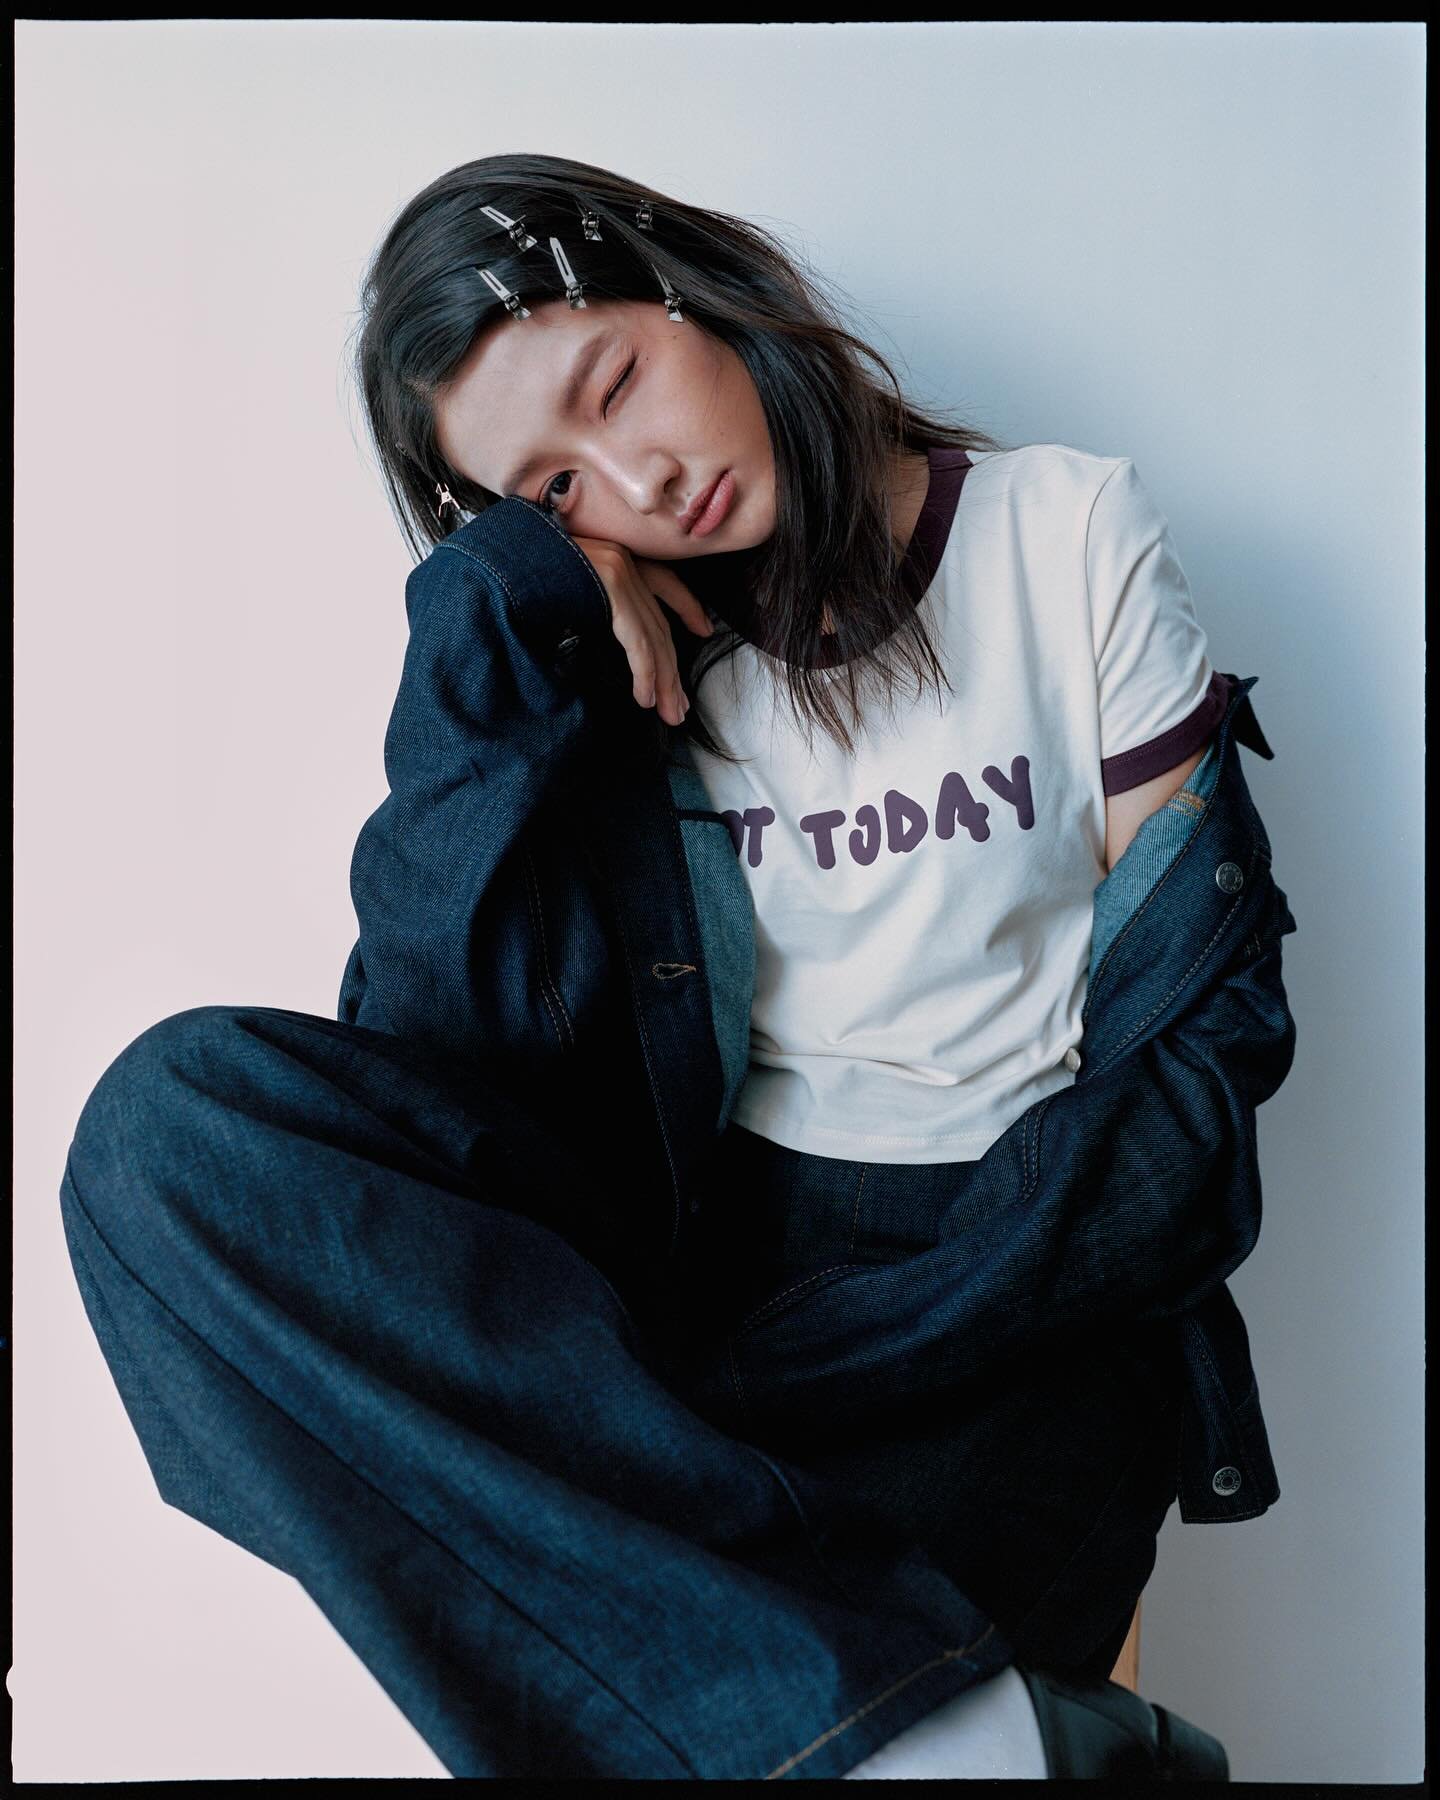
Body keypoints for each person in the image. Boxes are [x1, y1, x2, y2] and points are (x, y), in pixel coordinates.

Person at [58, 152, 1281, 1779]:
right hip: (711, 1290)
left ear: (692, 288)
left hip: (1027, 1280)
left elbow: (1200, 1051)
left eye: (615, 383)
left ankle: (924, 1726)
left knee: (664, 1675)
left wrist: (859, 1346)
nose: (637, 481)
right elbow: (438, 1056)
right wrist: (495, 611)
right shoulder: (616, 659)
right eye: (554, 489)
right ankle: (966, 1738)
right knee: (163, 1134)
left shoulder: (1061, 534)